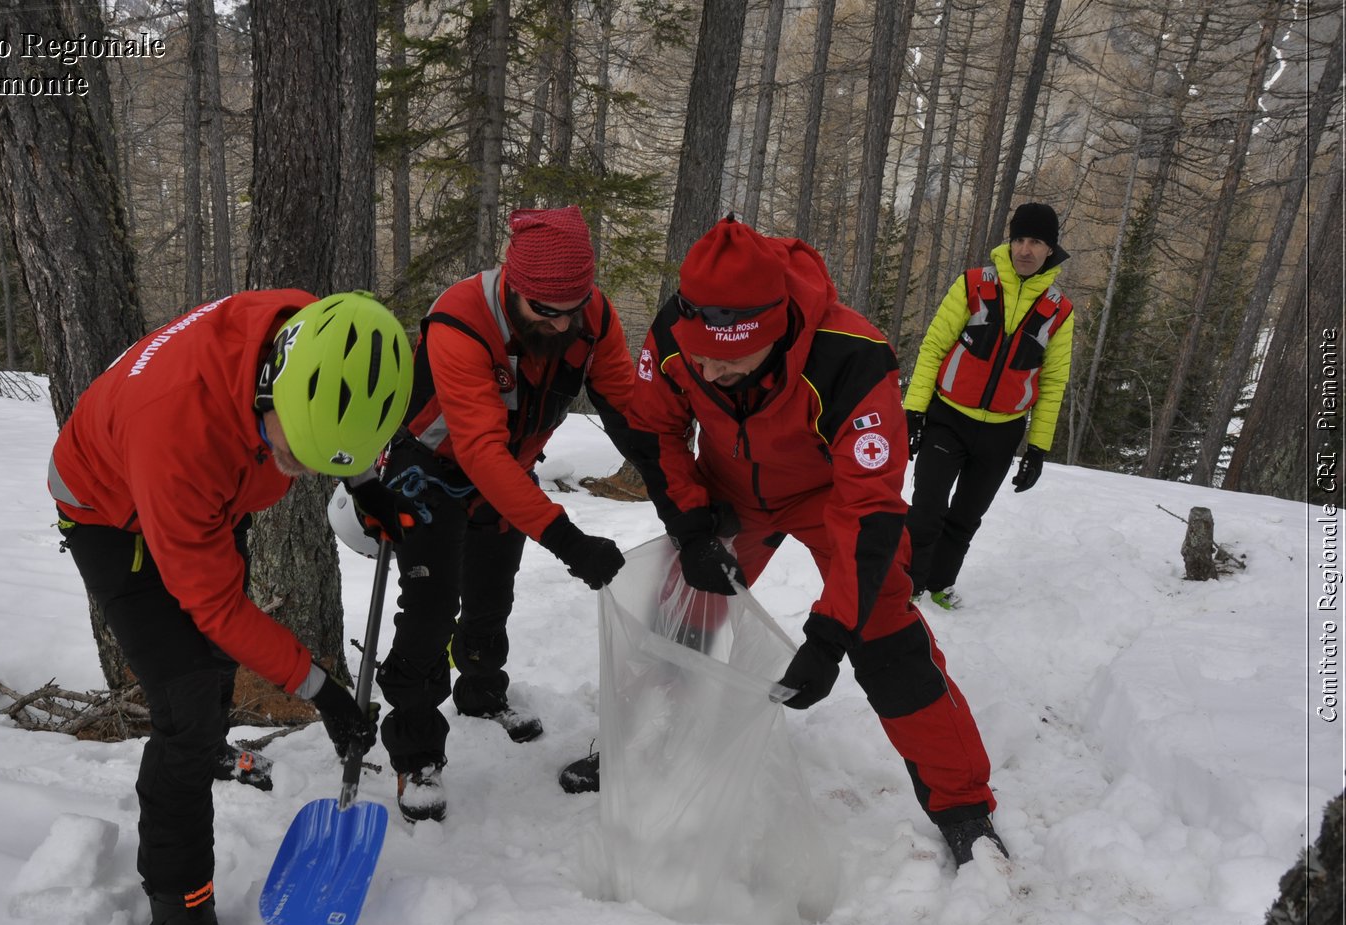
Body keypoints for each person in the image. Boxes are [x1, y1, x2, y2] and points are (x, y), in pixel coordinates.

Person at [568, 215, 1005, 868]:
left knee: (886, 638)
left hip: (830, 496)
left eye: (728, 359)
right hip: (730, 490)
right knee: (681, 608)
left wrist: (829, 638)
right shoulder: (680, 334)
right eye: (700, 355)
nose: (709, 371)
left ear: (772, 335)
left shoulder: (852, 359)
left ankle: (963, 806)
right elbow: (656, 431)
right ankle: (634, 742)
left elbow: (869, 512)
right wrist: (690, 529)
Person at [48, 290, 413, 925]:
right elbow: (214, 605)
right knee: (186, 703)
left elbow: (351, 428)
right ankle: (176, 910)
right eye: (290, 453)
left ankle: (211, 742)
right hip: (111, 510)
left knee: (212, 668)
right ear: (270, 384)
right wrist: (324, 692)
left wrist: (367, 486)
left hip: (212, 490)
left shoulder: (321, 340)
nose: (301, 474)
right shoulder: (177, 430)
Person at [355, 205, 670, 825]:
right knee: (430, 605)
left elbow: (625, 410)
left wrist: (674, 493)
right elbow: (477, 448)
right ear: (513, 284)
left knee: (491, 592)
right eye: (543, 311)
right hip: (431, 471)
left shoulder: (594, 317)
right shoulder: (460, 320)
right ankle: (416, 751)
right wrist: (568, 539)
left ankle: (480, 689)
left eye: (569, 310)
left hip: (510, 467)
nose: (558, 323)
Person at [903, 202, 1074, 609]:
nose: (1025, 250)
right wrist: (914, 410)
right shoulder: (973, 284)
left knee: (964, 519)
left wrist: (1037, 448)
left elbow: (1053, 383)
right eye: (1019, 239)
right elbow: (933, 348)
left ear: (1050, 250)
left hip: (1002, 431)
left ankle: (940, 585)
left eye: (1036, 242)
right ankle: (905, 585)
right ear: (1009, 241)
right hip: (948, 417)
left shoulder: (1059, 311)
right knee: (927, 509)